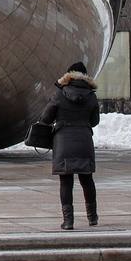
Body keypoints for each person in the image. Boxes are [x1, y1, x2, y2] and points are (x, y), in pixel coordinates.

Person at [41, 61, 100, 230]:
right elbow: (95, 121)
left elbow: (45, 118)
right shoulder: (91, 95)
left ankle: (68, 221)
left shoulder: (60, 94)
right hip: (84, 141)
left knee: (66, 182)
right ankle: (92, 217)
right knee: (87, 179)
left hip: (63, 142)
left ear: (68, 75)